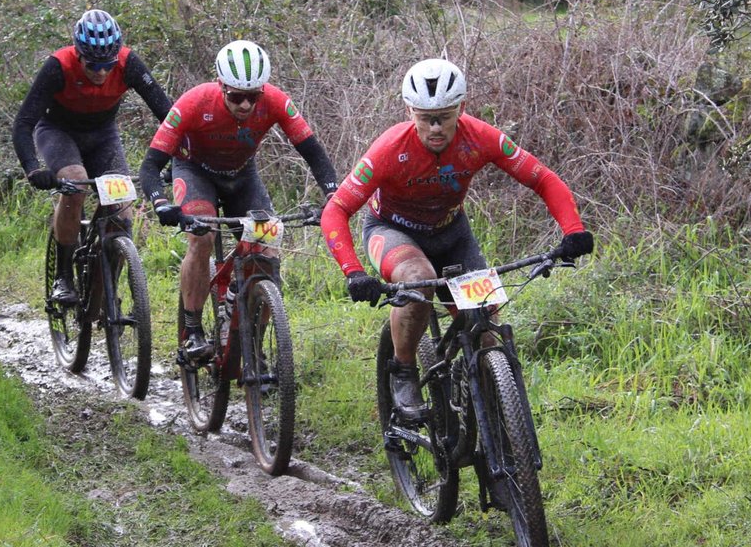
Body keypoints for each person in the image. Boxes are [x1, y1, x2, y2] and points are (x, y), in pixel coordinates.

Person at [320, 57, 593, 422]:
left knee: (486, 330)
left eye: (445, 117)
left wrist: (573, 230)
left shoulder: (479, 137)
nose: (435, 127)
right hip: (391, 230)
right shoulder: (388, 149)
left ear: (461, 108)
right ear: (409, 111)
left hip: (451, 233)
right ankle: (402, 370)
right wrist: (353, 272)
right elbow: (336, 210)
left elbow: (542, 178)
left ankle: (493, 424)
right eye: (424, 117)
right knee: (418, 280)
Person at [138, 39, 341, 364]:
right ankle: (192, 331)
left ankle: (253, 348)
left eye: (253, 97)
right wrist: (161, 203)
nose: (246, 105)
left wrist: (333, 195)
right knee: (202, 237)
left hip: (241, 176)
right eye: (236, 96)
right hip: (194, 172)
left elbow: (312, 151)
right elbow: (150, 166)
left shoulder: (275, 101)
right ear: (220, 86)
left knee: (265, 253)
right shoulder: (193, 103)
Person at [13, 9, 172, 304]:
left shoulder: (128, 64)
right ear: (78, 54)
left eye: (107, 65)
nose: (101, 72)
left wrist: (179, 156)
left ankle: (106, 289)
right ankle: (63, 275)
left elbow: (168, 114)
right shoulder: (58, 66)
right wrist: (32, 168)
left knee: (122, 210)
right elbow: (23, 122)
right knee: (75, 186)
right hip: (58, 132)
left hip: (102, 136)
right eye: (93, 65)